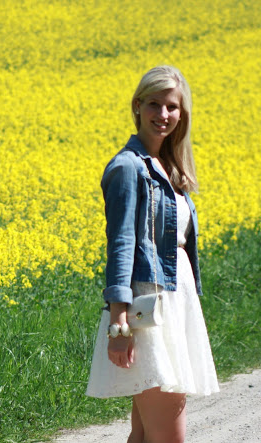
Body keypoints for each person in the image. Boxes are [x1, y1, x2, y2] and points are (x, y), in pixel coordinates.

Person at [86, 65, 219, 443]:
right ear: (137, 106)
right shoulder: (128, 167)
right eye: (154, 104)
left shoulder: (172, 168)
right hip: (150, 309)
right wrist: (119, 325)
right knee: (168, 437)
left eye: (172, 107)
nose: (163, 115)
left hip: (174, 302)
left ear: (183, 114)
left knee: (145, 435)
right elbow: (121, 246)